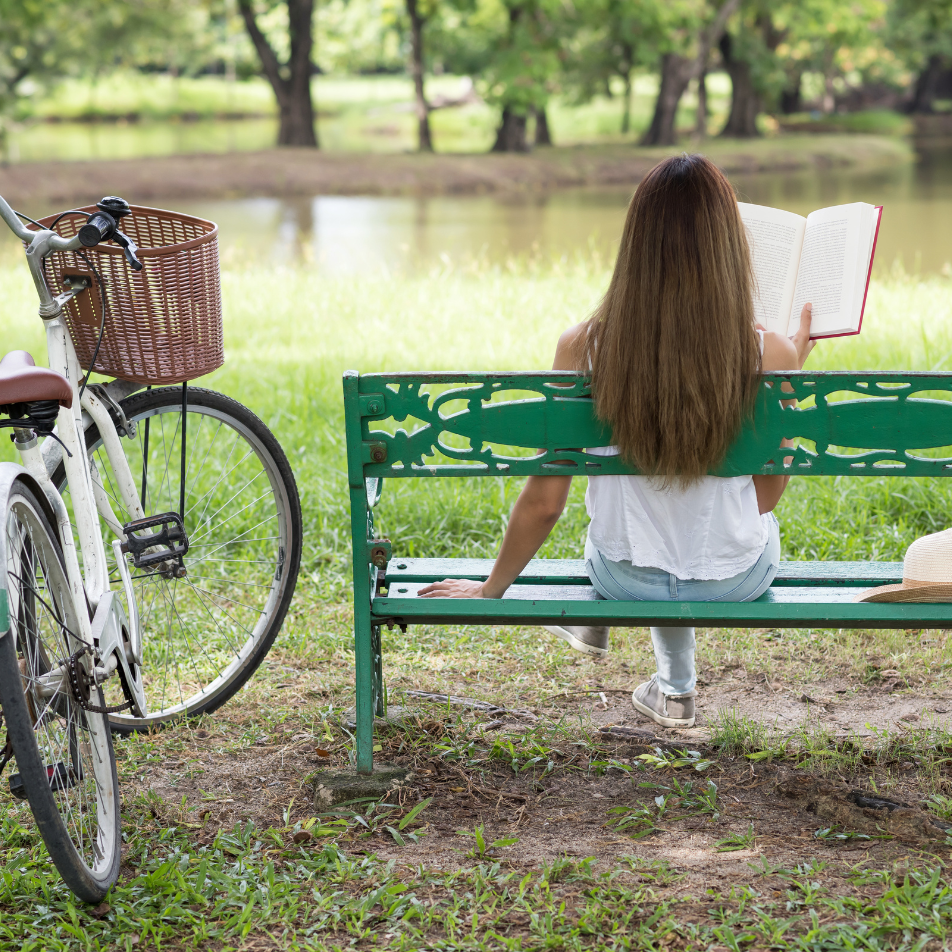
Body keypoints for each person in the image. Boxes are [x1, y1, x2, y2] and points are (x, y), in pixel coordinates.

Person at [419, 153, 816, 729]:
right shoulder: (768, 352)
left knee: (635, 529)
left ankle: (657, 672)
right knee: (718, 527)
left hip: (622, 574)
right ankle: (672, 688)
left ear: (635, 244)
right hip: (735, 577)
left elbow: (544, 503)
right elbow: (764, 499)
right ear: (729, 247)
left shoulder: (582, 347)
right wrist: (784, 381)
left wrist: (490, 591)